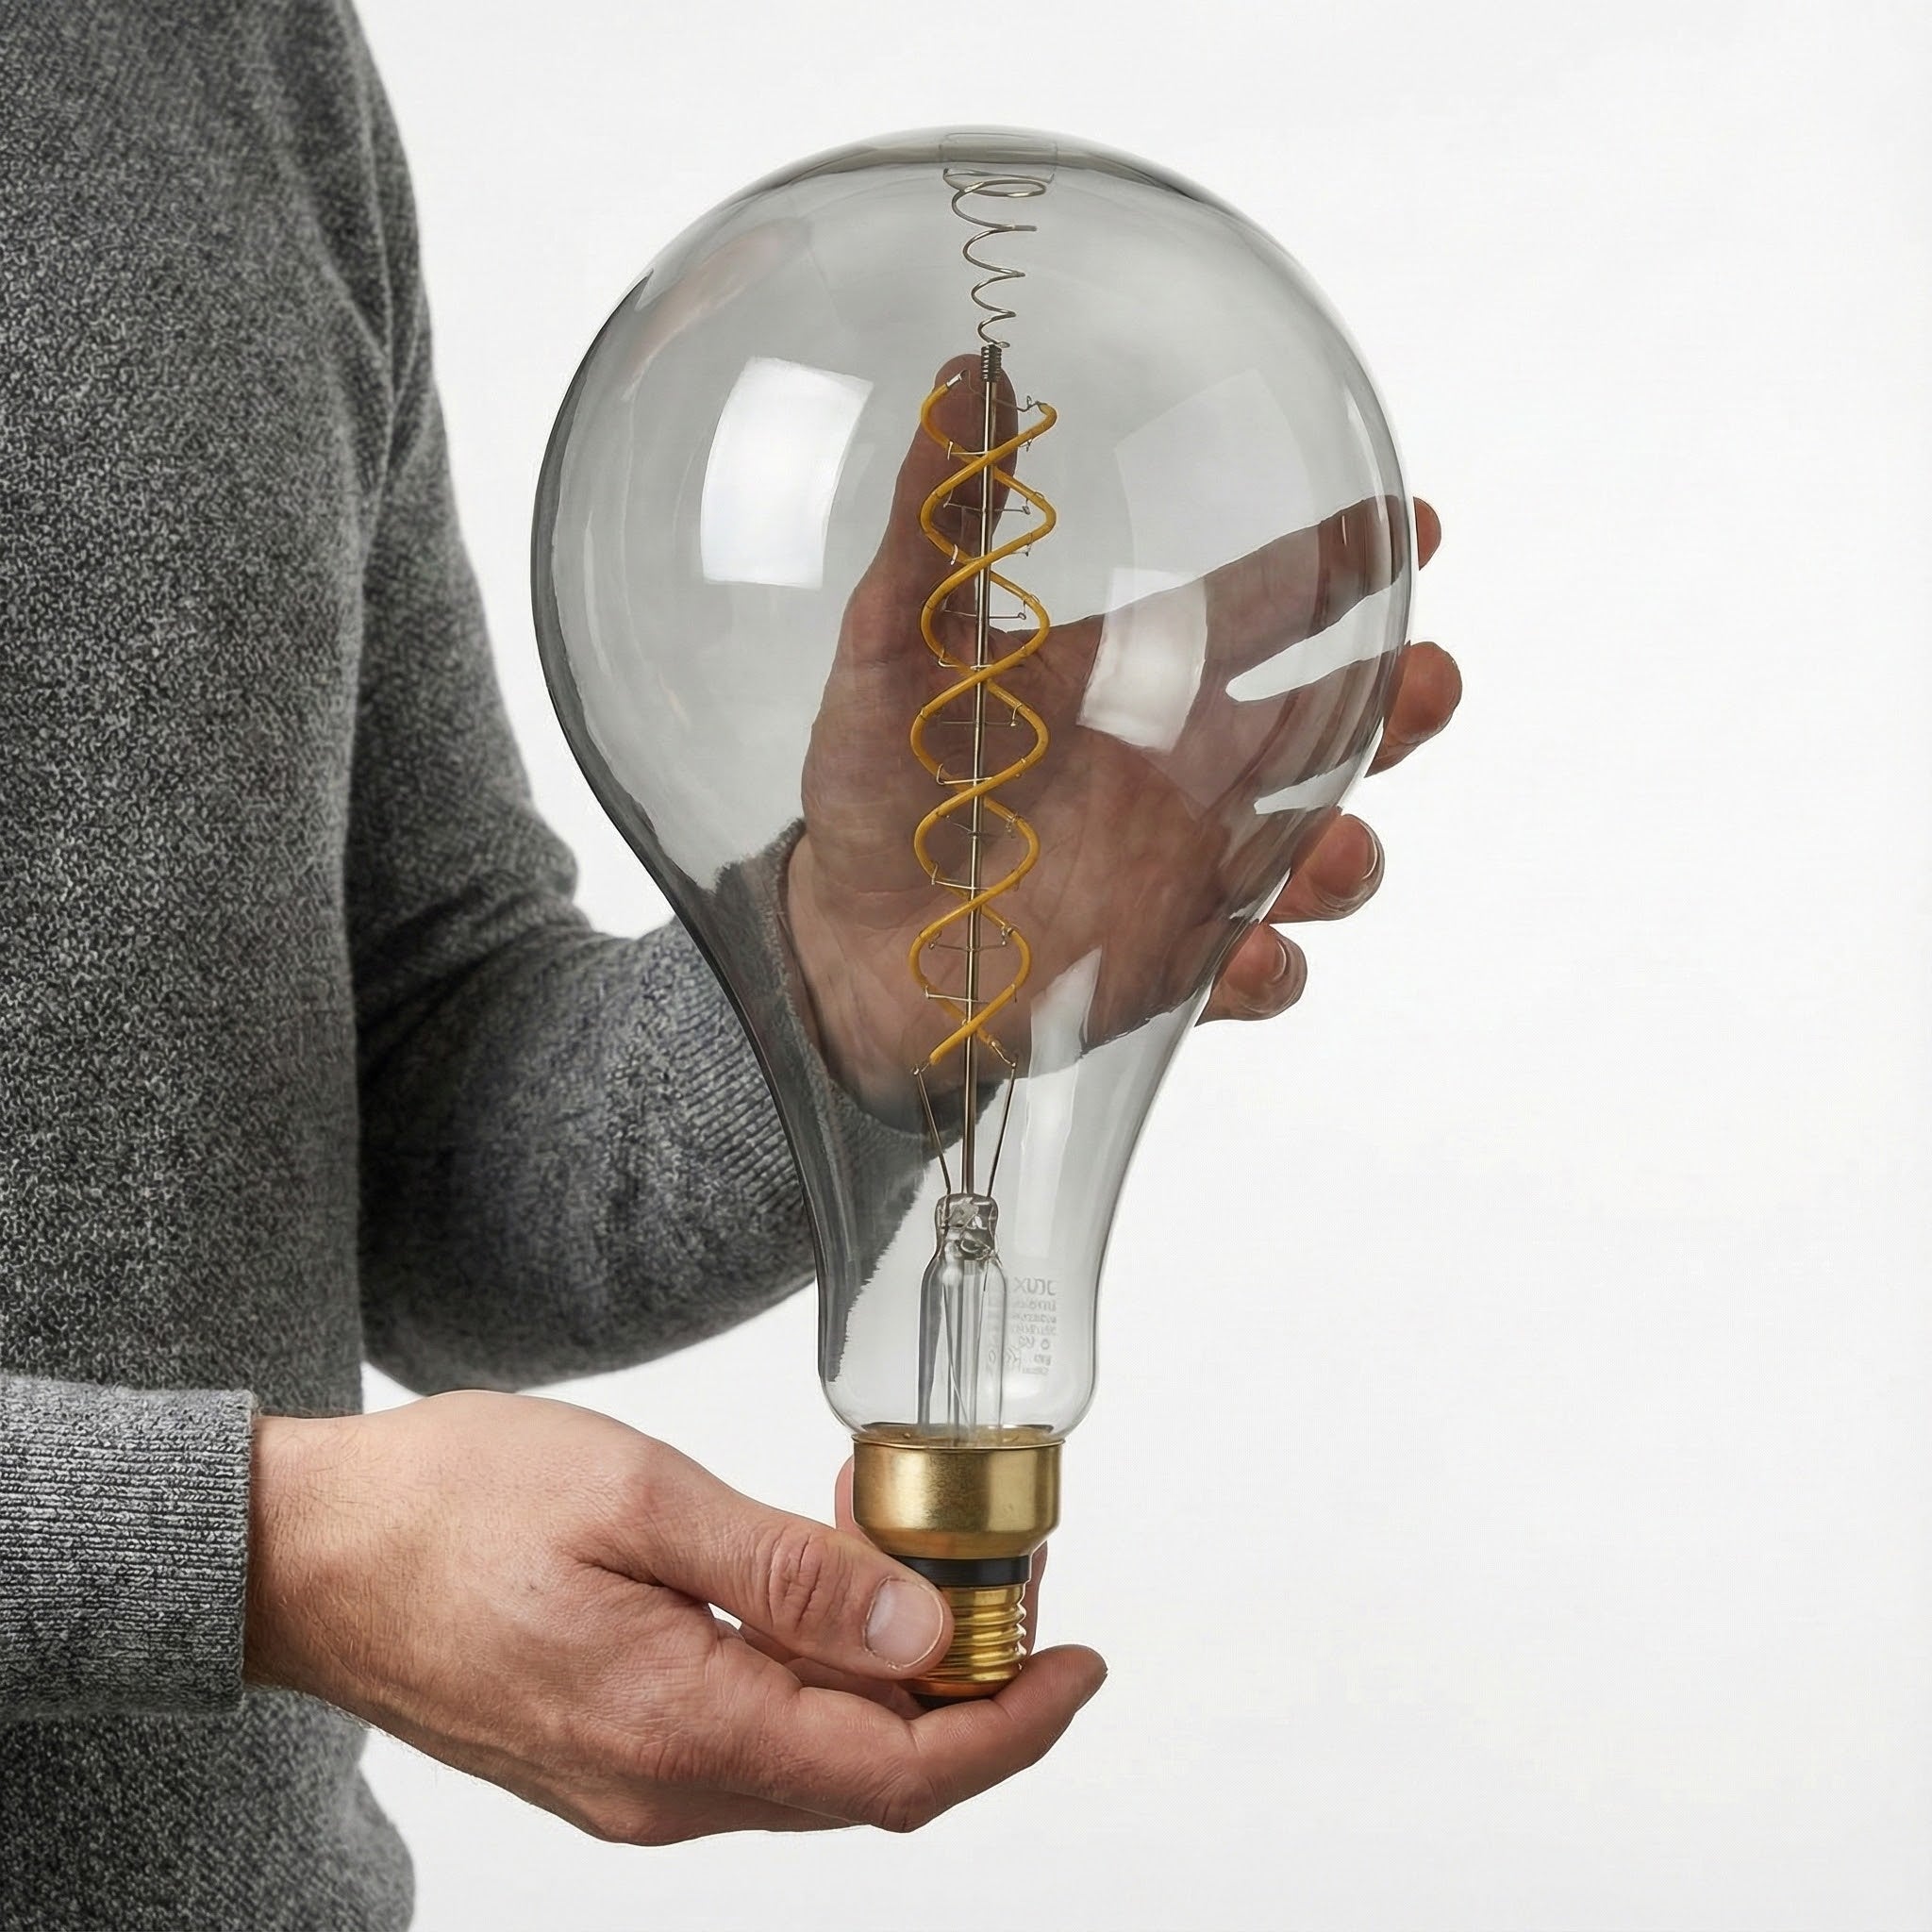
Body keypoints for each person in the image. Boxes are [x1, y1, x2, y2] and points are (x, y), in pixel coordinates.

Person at [0, 3, 1461, 1925]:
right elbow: (263, 1511)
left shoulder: (222, 45)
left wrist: (831, 981)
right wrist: (245, 1552)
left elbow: (393, 1125)